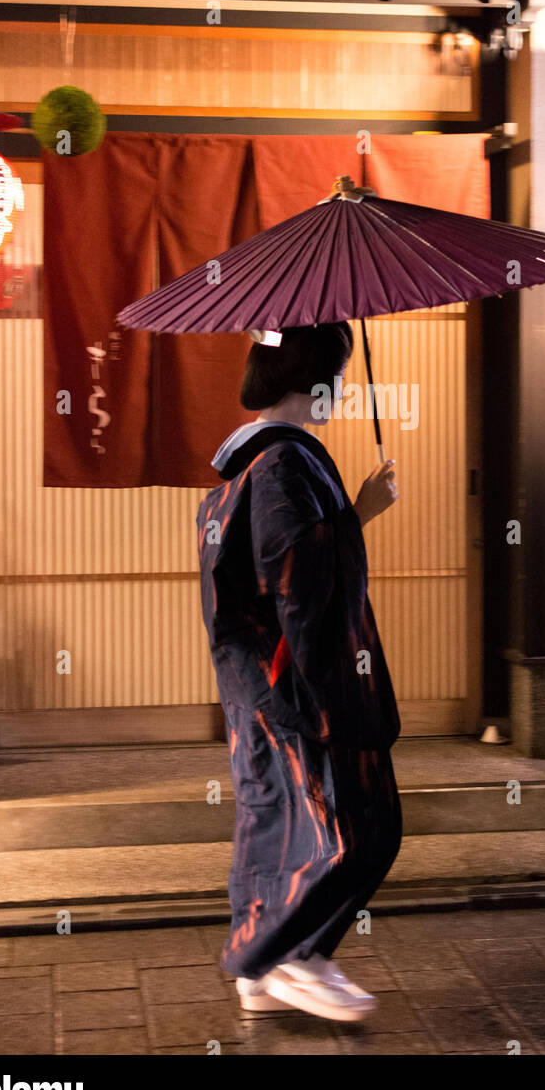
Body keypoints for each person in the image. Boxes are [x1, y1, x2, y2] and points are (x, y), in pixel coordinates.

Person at [196, 321, 402, 1023]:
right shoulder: (283, 463)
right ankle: (288, 956)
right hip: (293, 682)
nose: (341, 391)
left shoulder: (247, 460)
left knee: (271, 818)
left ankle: (261, 960)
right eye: (336, 376)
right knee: (349, 825)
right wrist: (357, 515)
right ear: (313, 381)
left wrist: (345, 518)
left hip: (255, 683)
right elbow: (294, 575)